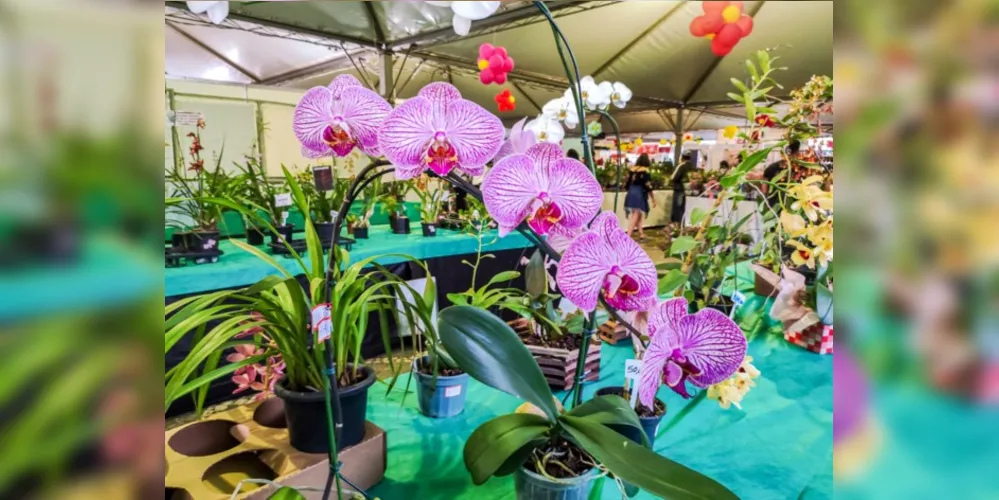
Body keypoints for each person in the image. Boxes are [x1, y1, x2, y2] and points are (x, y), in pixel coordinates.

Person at [760, 139, 802, 209]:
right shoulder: (774, 167)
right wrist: (765, 197)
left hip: (794, 204)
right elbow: (765, 180)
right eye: (796, 153)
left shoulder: (800, 168)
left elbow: (765, 180)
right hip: (777, 203)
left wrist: (765, 197)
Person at [623, 154, 656, 240]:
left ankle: (641, 234)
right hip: (639, 193)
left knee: (638, 214)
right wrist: (653, 199)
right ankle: (628, 236)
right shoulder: (645, 171)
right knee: (636, 214)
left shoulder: (632, 169)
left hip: (631, 192)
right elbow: (648, 186)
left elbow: (626, 183)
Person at [669, 151, 696, 224]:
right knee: (685, 208)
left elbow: (673, 177)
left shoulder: (681, 166)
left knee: (677, 208)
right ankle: (684, 224)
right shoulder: (692, 166)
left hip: (679, 189)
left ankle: (677, 225)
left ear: (682, 157)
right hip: (689, 190)